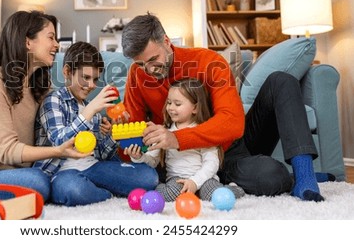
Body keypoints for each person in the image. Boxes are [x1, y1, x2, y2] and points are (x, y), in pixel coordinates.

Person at [121, 12, 335, 202]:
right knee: (273, 176)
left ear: (167, 42)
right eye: (140, 64)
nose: (148, 69)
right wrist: (125, 133)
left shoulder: (208, 61)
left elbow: (233, 123)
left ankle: (305, 177)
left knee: (282, 80)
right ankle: (278, 179)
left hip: (225, 151)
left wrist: (177, 138)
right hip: (178, 163)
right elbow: (136, 129)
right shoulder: (137, 74)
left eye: (153, 59)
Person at [0, 11, 89, 202]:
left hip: (21, 172)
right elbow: (7, 151)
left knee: (56, 177)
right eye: (51, 37)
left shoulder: (38, 83)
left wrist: (94, 119)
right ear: (28, 42)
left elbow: (64, 113)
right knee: (39, 182)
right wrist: (58, 151)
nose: (56, 45)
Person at [33, 41, 158, 206]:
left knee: (149, 177)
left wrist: (113, 132)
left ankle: (93, 189)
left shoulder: (90, 107)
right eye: (85, 77)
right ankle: (106, 195)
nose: (91, 85)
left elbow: (102, 154)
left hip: (93, 168)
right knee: (73, 190)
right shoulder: (54, 100)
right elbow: (59, 142)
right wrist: (89, 111)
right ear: (67, 72)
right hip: (62, 172)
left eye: (95, 79)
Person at [125, 77, 245, 202]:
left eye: (177, 104)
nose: (171, 108)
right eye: (169, 102)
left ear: (195, 108)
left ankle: (234, 189)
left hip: (204, 179)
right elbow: (153, 161)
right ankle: (159, 187)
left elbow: (212, 163)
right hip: (177, 179)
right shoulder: (164, 132)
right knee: (170, 194)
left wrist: (194, 182)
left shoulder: (202, 131)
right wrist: (139, 157)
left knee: (214, 194)